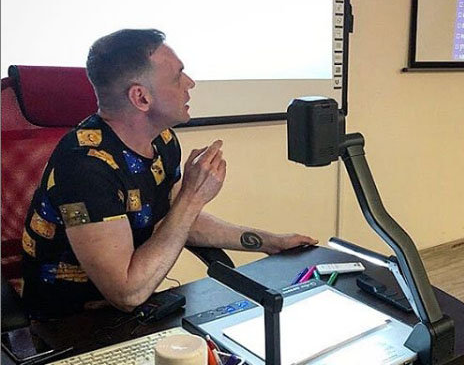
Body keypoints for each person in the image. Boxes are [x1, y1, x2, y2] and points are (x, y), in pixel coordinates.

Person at [21, 29, 317, 318]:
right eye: (177, 77)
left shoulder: (161, 140)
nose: (190, 83)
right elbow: (127, 294)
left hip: (140, 310)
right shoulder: (84, 168)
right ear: (141, 98)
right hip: (69, 325)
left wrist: (269, 242)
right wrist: (192, 196)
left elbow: (176, 219)